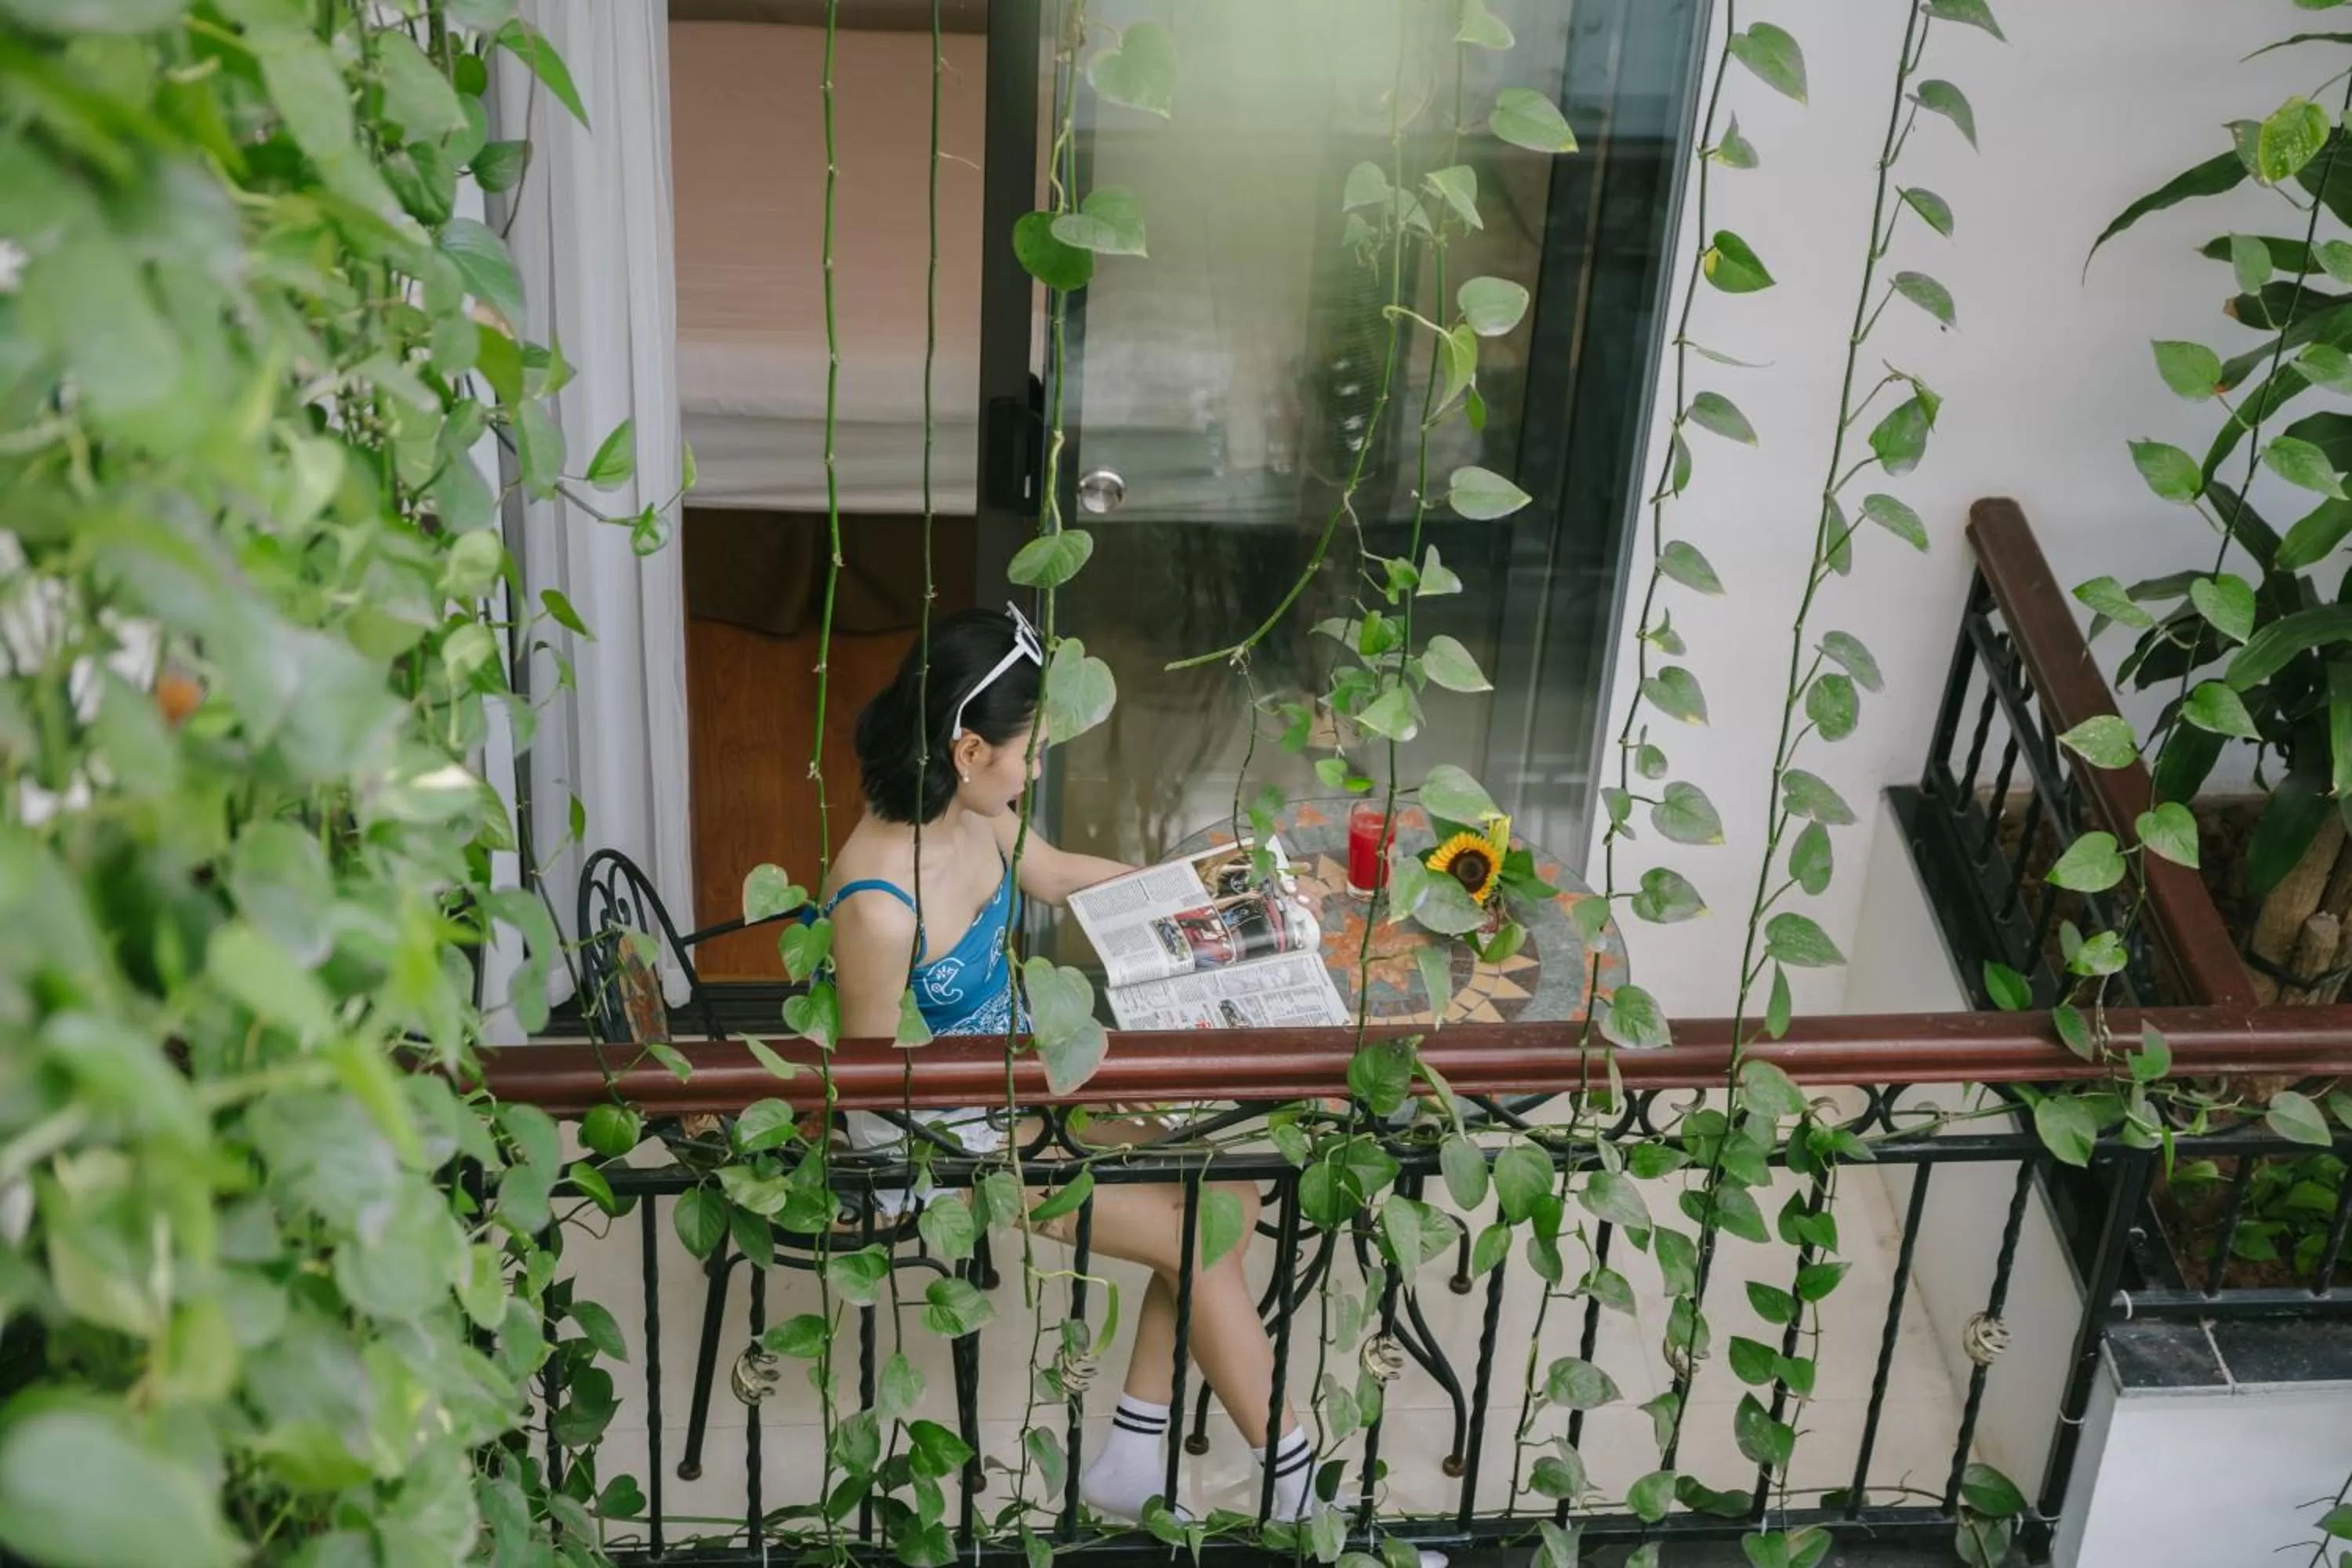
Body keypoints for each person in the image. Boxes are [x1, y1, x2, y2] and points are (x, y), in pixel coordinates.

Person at [826, 604, 1324, 1526]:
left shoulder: (971, 808)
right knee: (1202, 1228)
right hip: (957, 1135)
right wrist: (984, 1156)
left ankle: (1134, 1454)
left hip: (1032, 1077)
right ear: (969, 748)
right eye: (1033, 749)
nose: (1040, 766)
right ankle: (1302, 1494)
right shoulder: (882, 902)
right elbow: (867, 1087)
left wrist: (1203, 894)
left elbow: (1051, 872)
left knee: (1236, 1191)